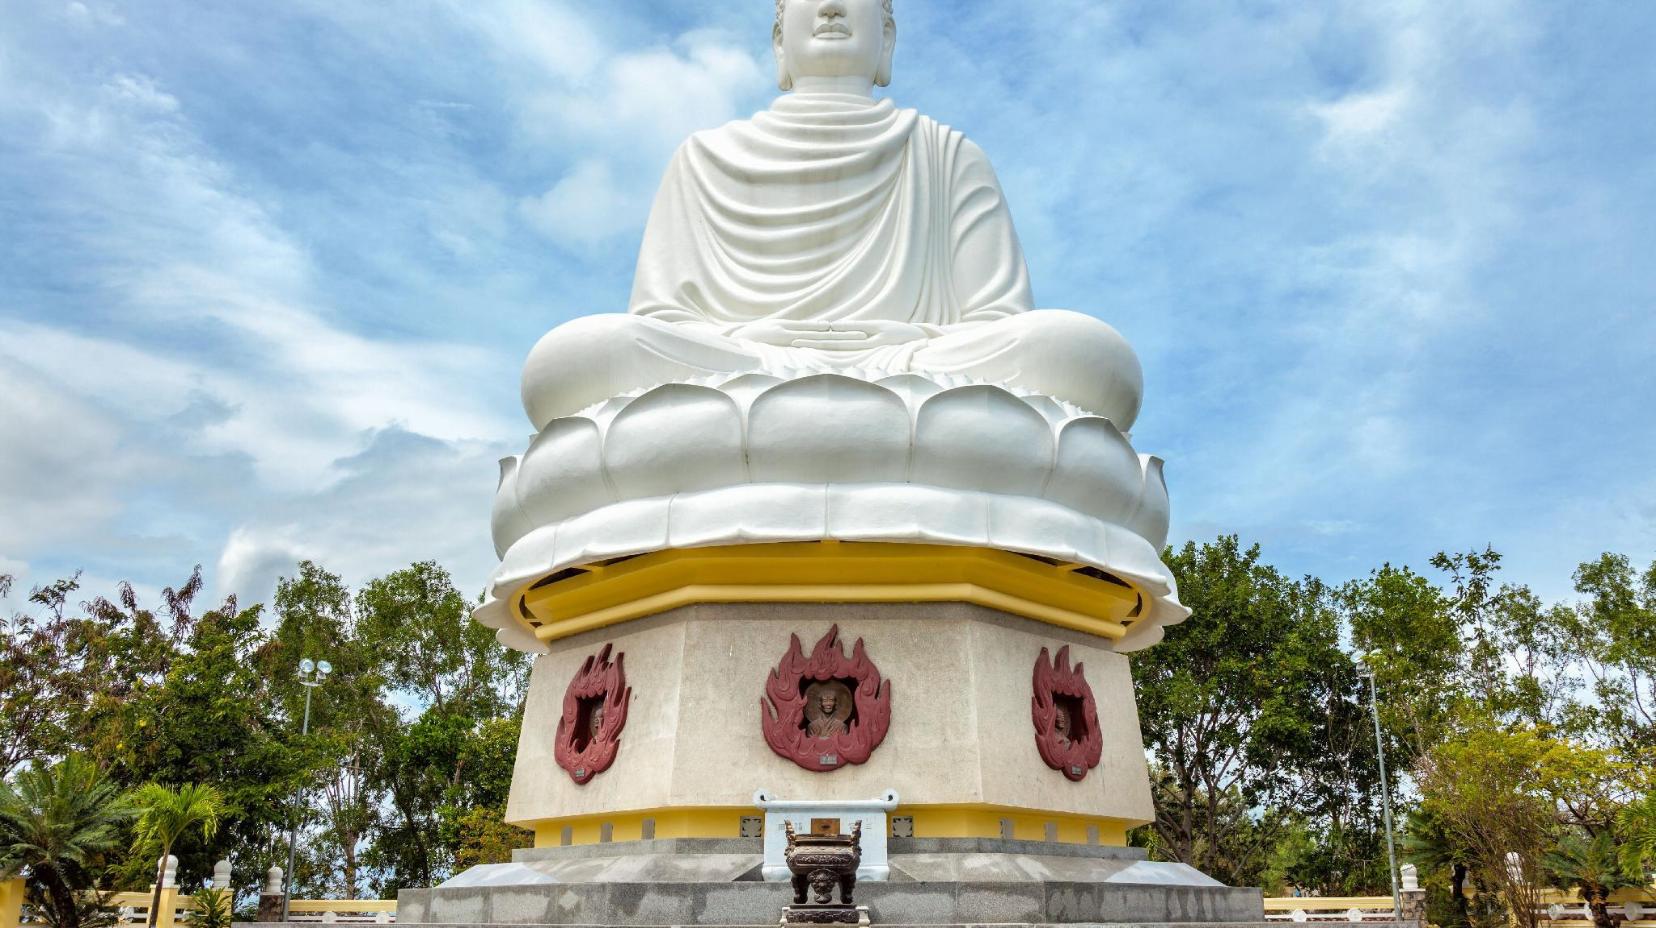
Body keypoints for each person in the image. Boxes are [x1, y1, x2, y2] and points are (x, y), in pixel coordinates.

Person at [520, 0, 1143, 431]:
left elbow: (1000, 322)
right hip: (741, 367)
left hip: (912, 370)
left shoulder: (946, 154)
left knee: (1085, 354)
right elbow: (661, 320)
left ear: (887, 39)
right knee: (574, 358)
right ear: (778, 40)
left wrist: (917, 343)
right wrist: (746, 343)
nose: (832, 8)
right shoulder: (702, 157)